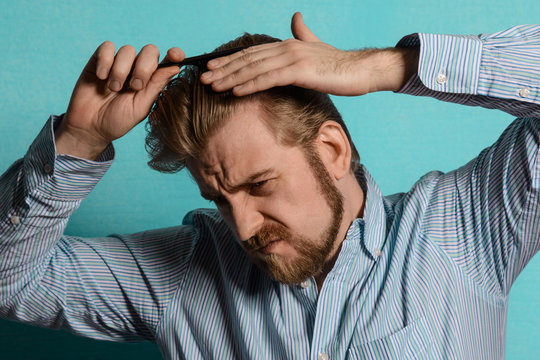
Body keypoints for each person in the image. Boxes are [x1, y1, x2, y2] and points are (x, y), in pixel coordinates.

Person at [0, 11, 538, 359]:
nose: (242, 226)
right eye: (218, 198)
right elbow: (12, 284)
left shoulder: (464, 230)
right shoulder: (187, 276)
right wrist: (78, 142)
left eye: (259, 185)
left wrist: (386, 66)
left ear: (331, 150)